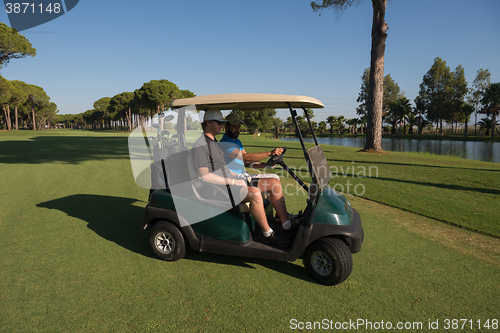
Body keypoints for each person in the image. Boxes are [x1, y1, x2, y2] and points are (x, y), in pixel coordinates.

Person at [191, 109, 290, 248]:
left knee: (273, 183)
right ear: (208, 122)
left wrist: (239, 177)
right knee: (255, 193)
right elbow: (205, 176)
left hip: (228, 184)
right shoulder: (201, 145)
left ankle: (286, 225)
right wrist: (232, 181)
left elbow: (224, 168)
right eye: (219, 122)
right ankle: (268, 235)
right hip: (217, 189)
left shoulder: (213, 142)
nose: (221, 126)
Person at [219, 113, 294, 232]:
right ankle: (286, 224)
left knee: (274, 177)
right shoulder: (224, 144)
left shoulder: (236, 141)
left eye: (239, 126)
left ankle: (281, 218)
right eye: (234, 126)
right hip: (236, 182)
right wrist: (270, 153)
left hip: (243, 177)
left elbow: (249, 163)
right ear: (226, 127)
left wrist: (265, 165)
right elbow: (246, 157)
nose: (237, 129)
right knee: (273, 183)